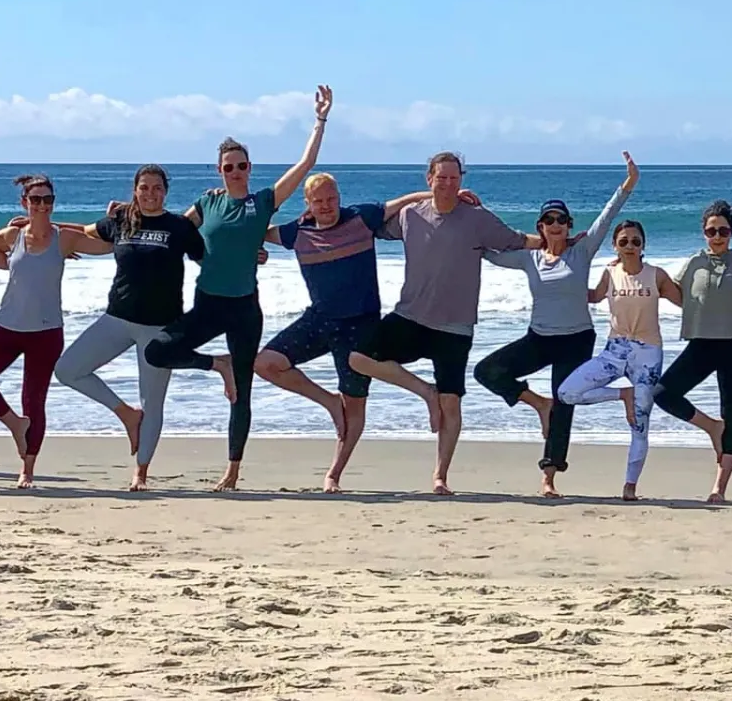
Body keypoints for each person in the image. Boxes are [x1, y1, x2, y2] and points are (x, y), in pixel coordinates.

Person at [144, 88, 330, 492]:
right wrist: (127, 214)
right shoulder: (207, 202)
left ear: (249, 168)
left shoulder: (263, 202)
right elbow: (173, 230)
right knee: (158, 351)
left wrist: (320, 120)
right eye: (228, 167)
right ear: (219, 171)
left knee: (241, 395)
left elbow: (306, 165)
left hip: (245, 308)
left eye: (241, 166)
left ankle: (232, 471)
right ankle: (218, 365)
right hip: (207, 304)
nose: (235, 172)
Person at [350, 150, 533, 495]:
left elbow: (518, 240)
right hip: (410, 316)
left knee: (452, 402)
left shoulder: (477, 219)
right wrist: (420, 197)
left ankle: (440, 476)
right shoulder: (410, 216)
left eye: (454, 178)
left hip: (454, 327)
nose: (448, 184)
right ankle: (425, 392)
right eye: (441, 177)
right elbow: (365, 222)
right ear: (429, 178)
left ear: (462, 179)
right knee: (358, 358)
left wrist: (560, 244)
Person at [256, 169, 443, 493]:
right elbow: (252, 231)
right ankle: (328, 401)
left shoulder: (361, 217)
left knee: (355, 404)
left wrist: (446, 197)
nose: (326, 206)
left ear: (339, 199)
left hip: (361, 322)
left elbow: (405, 202)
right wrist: (254, 251)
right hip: (319, 319)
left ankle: (334, 474)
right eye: (319, 201)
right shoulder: (296, 232)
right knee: (265, 364)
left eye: (331, 199)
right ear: (307, 203)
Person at [476, 154, 637, 499]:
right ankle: (538, 404)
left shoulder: (582, 251)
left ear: (568, 224)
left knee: (565, 403)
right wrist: (472, 213)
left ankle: (549, 478)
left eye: (561, 219)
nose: (555, 224)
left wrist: (627, 186)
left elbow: (606, 219)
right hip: (539, 338)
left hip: (576, 339)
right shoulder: (529, 257)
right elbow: (487, 250)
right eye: (548, 220)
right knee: (487, 371)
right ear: (540, 227)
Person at [53, 165, 204, 491]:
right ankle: (125, 413)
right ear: (135, 190)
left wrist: (250, 256)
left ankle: (141, 472)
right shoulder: (121, 221)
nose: (150, 194)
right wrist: (40, 226)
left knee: (153, 402)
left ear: (166, 191)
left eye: (157, 188)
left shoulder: (179, 227)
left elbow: (210, 260)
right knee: (67, 369)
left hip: (160, 327)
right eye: (144, 187)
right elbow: (85, 231)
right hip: (117, 319)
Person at [0, 173, 91, 488]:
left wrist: (122, 216)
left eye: (47, 200)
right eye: (35, 200)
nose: (42, 205)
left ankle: (27, 469)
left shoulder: (64, 238)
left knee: (34, 400)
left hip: (46, 334)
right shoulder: (12, 235)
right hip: (8, 327)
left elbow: (105, 242)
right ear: (24, 202)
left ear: (53, 203)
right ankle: (14, 423)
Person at [557, 215, 682, 502]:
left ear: (643, 245)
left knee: (640, 424)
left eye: (635, 241)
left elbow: (687, 301)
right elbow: (592, 296)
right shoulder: (609, 273)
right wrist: (562, 274)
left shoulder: (656, 275)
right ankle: (621, 395)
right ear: (614, 245)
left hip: (647, 355)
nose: (630, 246)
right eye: (623, 241)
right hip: (614, 352)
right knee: (566, 392)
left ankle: (630, 486)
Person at [656, 200, 732, 504]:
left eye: (723, 231)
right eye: (711, 231)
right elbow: (672, 292)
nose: (717, 236)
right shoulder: (693, 264)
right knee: (662, 392)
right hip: (701, 343)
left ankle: (720, 488)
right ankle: (711, 427)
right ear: (703, 232)